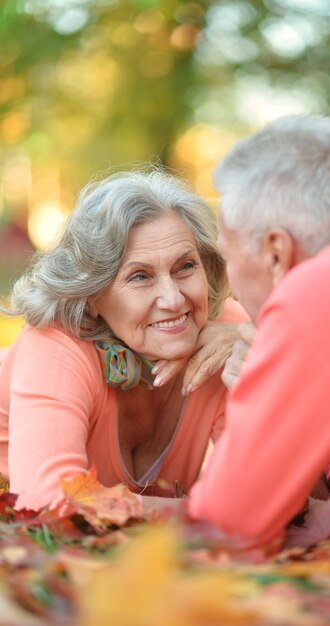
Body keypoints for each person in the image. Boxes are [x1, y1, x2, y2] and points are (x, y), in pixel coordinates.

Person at [188, 114, 330, 545]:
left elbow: (224, 523)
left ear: (276, 253)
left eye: (227, 258)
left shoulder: (314, 296)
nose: (232, 291)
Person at [0, 170, 248, 511]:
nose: (173, 299)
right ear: (92, 296)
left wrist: (268, 358)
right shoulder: (54, 343)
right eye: (140, 276)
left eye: (185, 266)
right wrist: (207, 513)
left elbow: (276, 498)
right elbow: (48, 504)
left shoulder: (229, 334)